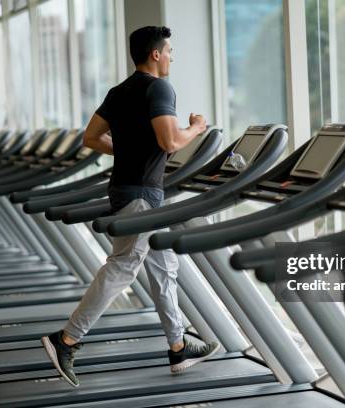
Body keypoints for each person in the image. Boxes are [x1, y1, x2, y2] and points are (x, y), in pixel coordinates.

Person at [41, 25, 219, 388]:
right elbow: (170, 141)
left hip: (127, 188)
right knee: (123, 266)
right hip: (141, 193)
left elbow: (91, 137)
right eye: (169, 50)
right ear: (155, 54)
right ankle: (67, 338)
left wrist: (129, 148)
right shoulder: (159, 88)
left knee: (164, 266)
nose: (171, 56)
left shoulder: (119, 91)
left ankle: (177, 346)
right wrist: (197, 128)